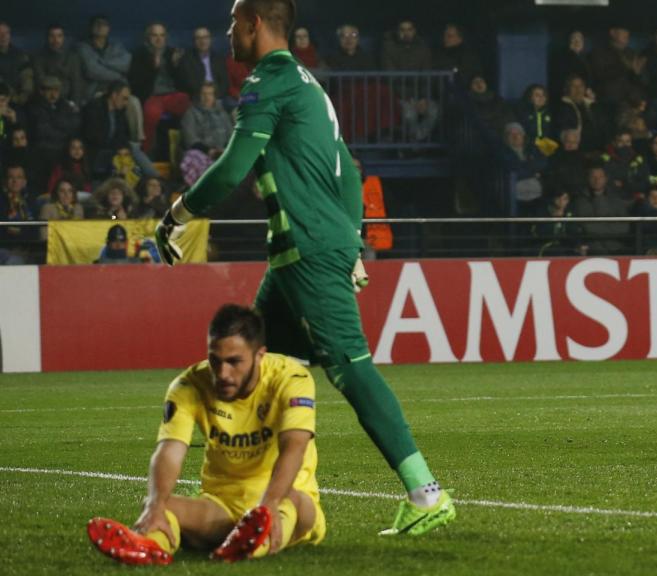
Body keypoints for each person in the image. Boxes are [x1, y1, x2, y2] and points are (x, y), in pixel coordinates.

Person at [154, 0, 454, 536]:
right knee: (263, 365)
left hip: (309, 251)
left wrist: (178, 214)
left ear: (253, 24)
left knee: (349, 366)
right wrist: (352, 242)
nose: (228, 33)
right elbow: (346, 171)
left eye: (232, 24)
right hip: (305, 251)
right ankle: (257, 492)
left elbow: (233, 167)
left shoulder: (268, 81)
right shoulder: (308, 85)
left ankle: (426, 492)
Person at [86, 304, 326, 565]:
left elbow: (295, 446)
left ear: (259, 355)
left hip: (286, 500)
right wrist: (155, 504)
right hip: (222, 505)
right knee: (160, 508)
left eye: (234, 362)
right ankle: (149, 546)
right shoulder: (189, 385)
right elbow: (170, 450)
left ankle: (251, 539)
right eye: (215, 360)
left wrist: (267, 503)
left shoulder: (292, 378)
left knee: (287, 504)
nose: (222, 373)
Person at [128, 22, 190, 154]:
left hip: (172, 94)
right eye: (154, 35)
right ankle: (146, 152)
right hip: (152, 96)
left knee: (189, 106)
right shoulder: (140, 54)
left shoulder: (172, 52)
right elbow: (136, 83)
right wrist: (153, 68)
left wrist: (176, 65)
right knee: (151, 115)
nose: (158, 39)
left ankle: (186, 147)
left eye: (162, 35)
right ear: (148, 38)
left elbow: (184, 83)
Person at [32, 24, 84, 105]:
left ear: (63, 38)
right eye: (52, 36)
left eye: (59, 36)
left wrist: (74, 103)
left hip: (68, 101)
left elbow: (76, 83)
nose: (56, 40)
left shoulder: (72, 56)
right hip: (46, 100)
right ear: (47, 38)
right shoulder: (39, 57)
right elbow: (40, 82)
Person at [180, 27, 230, 100]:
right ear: (194, 41)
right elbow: (189, 84)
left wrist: (215, 95)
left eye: (205, 37)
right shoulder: (186, 59)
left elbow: (225, 82)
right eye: (198, 38)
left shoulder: (218, 58)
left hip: (218, 96)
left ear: (210, 39)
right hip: (198, 97)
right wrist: (205, 95)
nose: (202, 41)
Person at [181, 81, 234, 151]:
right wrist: (209, 151)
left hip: (223, 152)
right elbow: (190, 139)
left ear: (215, 96)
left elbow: (231, 136)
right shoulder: (190, 113)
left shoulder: (222, 112)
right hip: (202, 153)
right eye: (203, 94)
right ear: (198, 95)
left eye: (210, 94)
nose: (207, 97)